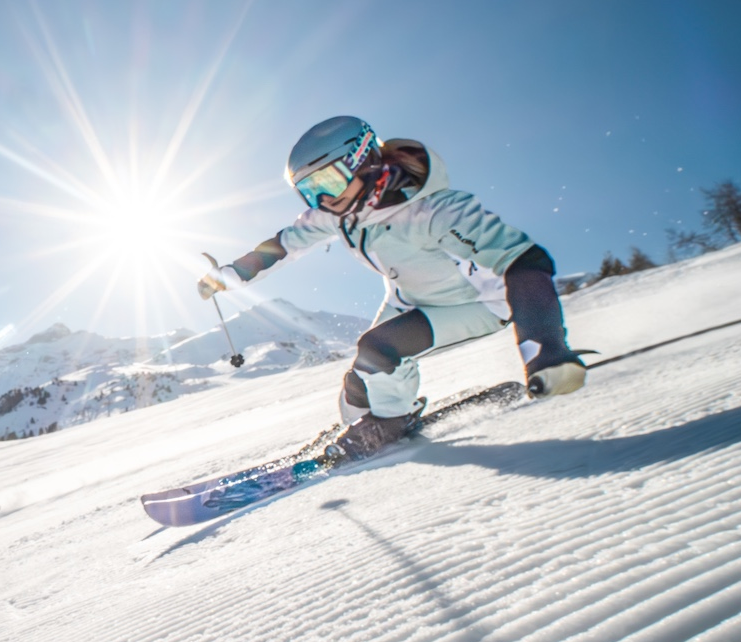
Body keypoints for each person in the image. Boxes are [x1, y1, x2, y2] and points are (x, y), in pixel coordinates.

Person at [198, 115, 586, 459]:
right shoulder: (342, 212)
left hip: (477, 304)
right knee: (358, 381)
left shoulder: (437, 210)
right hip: (408, 300)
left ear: (364, 158)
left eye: (329, 181)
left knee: (380, 349)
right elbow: (285, 243)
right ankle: (365, 425)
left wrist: (545, 349)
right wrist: (230, 275)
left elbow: (523, 261)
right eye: (311, 190)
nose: (324, 199)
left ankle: (388, 424)